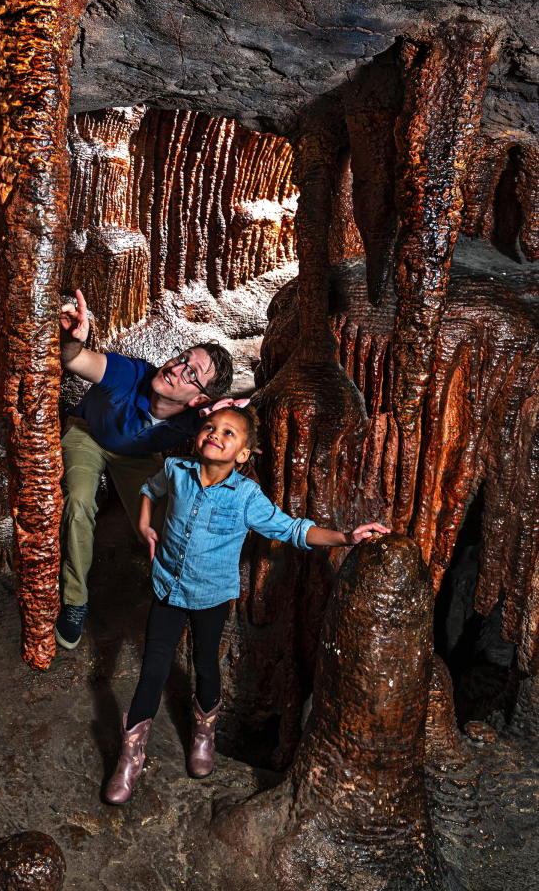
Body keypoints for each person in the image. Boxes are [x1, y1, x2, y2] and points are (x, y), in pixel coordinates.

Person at [103, 404, 388, 804]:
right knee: (153, 668)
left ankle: (204, 733)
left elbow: (293, 529)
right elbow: (150, 489)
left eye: (229, 433)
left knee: (205, 664)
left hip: (211, 595)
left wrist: (346, 538)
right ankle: (130, 757)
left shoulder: (246, 497)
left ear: (242, 454)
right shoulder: (176, 471)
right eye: (210, 427)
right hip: (167, 586)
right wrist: (146, 525)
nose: (215, 434)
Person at [56, 288, 244, 650]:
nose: (176, 368)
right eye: (182, 358)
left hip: (137, 457)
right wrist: (71, 340)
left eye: (191, 373)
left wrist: (231, 416)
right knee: (79, 503)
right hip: (89, 435)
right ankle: (75, 600)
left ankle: (179, 599)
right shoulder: (129, 373)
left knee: (166, 521)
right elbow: (77, 360)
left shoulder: (197, 418)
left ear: (200, 398)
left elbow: (238, 428)